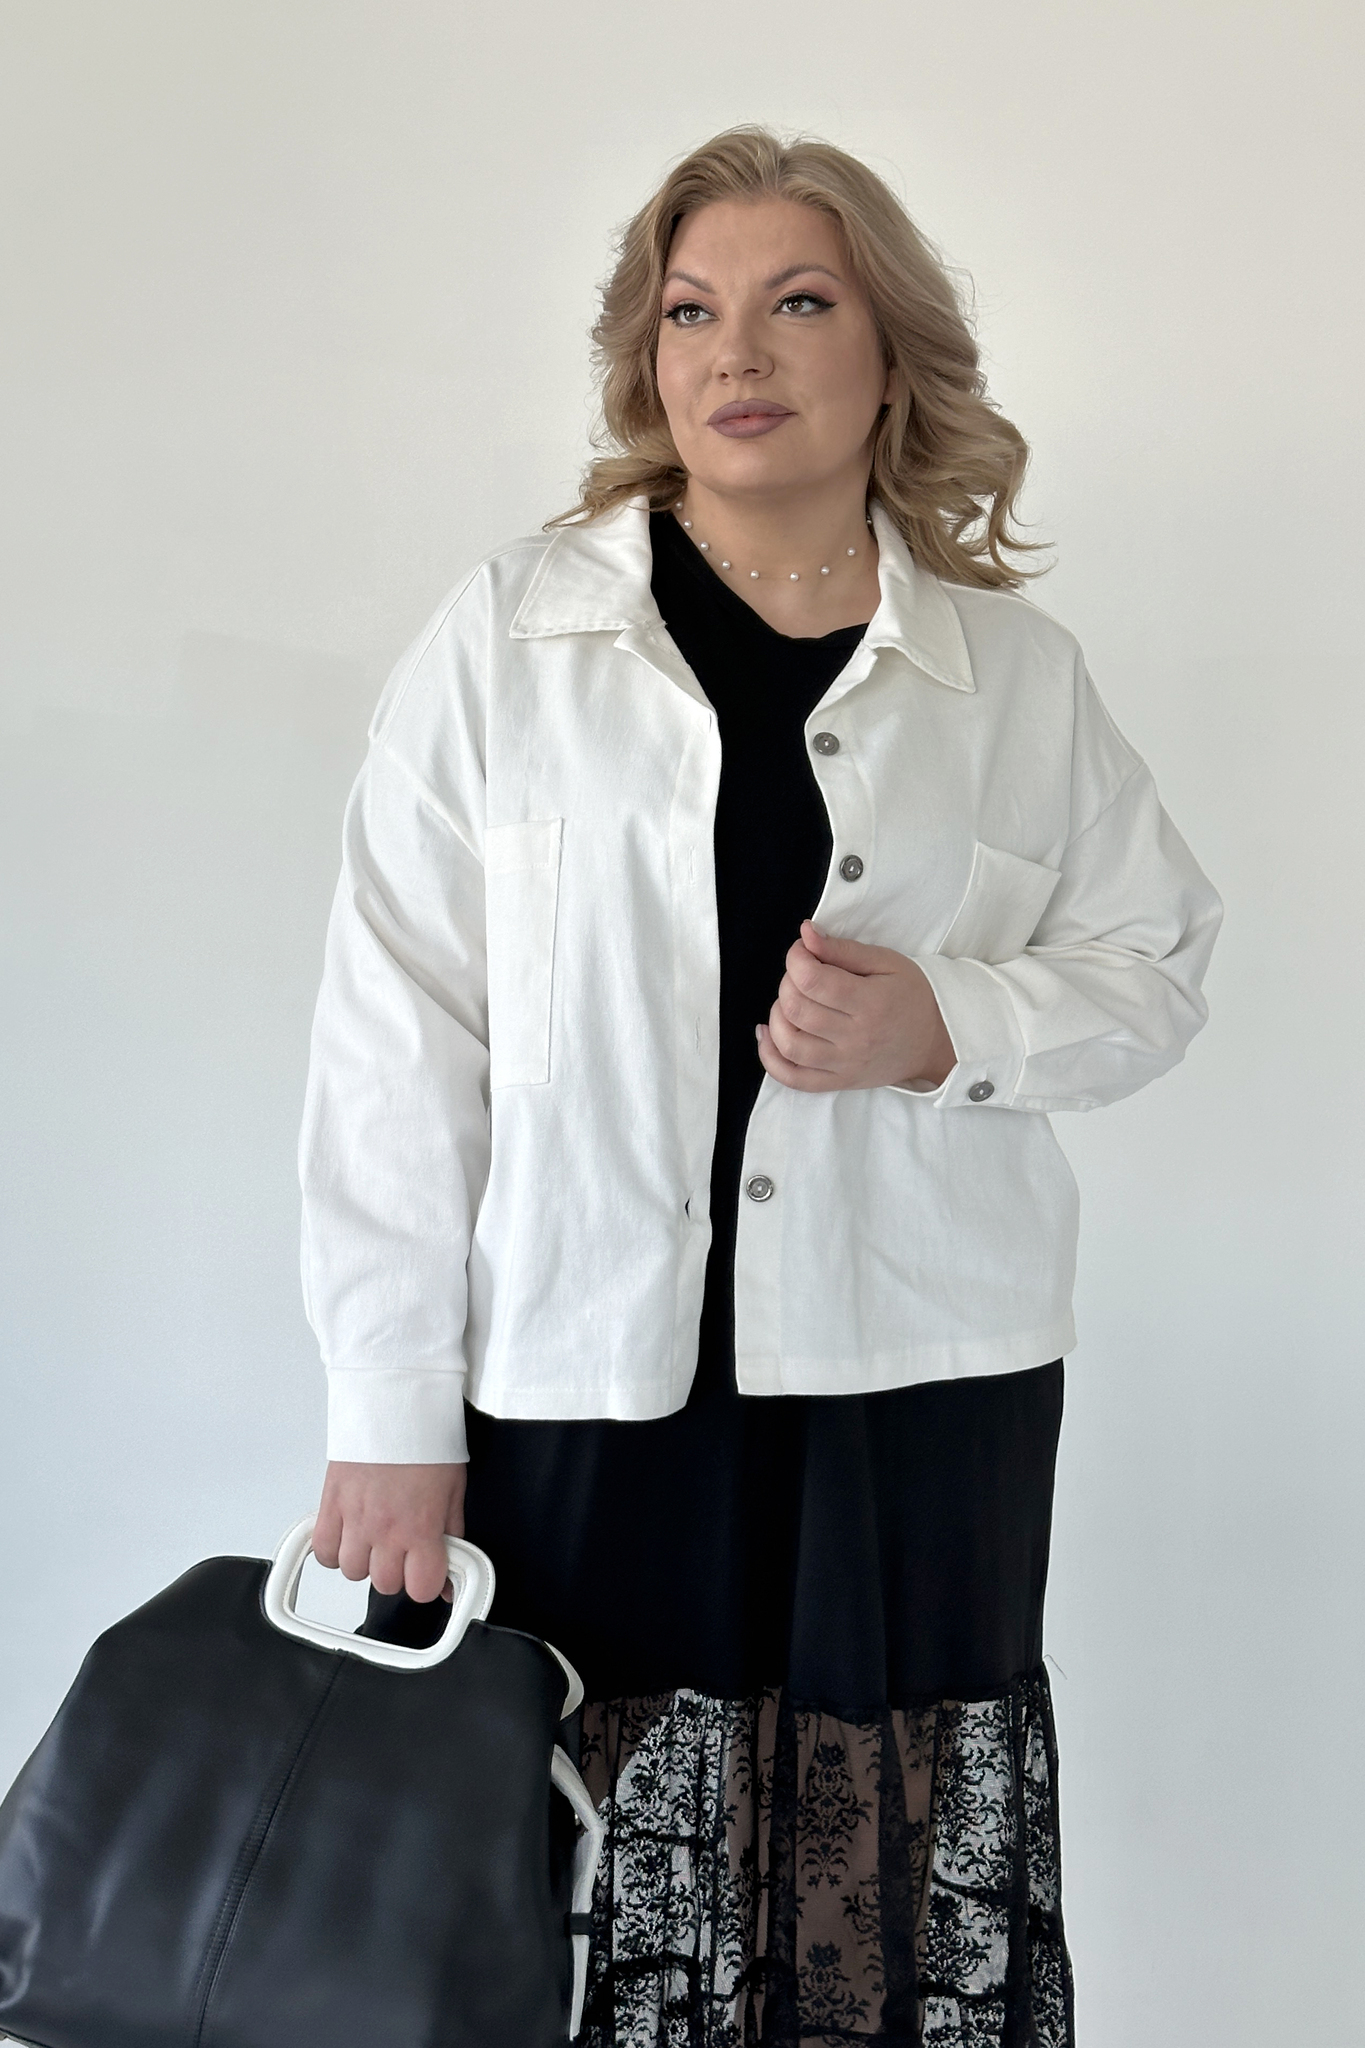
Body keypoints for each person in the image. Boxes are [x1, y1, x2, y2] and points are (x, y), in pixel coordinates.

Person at [298, 125, 1221, 2047]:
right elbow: (397, 1035)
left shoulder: (1008, 674)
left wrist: (949, 1022)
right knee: (567, 1895)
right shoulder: (510, 638)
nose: (735, 350)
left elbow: (1154, 968)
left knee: (888, 1904)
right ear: (644, 360)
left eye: (798, 303)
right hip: (585, 1379)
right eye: (687, 310)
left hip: (921, 1381)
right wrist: (388, 1409)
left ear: (890, 357)